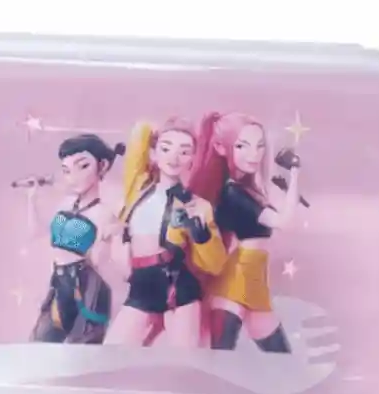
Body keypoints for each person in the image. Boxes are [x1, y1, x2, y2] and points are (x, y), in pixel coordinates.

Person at [105, 118, 227, 347]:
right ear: (153, 152)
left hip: (177, 286)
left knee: (185, 360)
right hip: (142, 284)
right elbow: (139, 134)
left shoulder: (197, 205)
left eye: (184, 152)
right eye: (166, 148)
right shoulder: (137, 187)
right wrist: (160, 127)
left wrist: (200, 234)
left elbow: (216, 264)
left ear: (193, 159)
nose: (174, 157)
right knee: (112, 351)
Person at [189, 112, 302, 351]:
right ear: (221, 148)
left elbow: (284, 218)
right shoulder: (233, 194)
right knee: (221, 359)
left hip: (254, 281)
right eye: (242, 146)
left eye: (260, 146)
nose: (254, 154)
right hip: (234, 281)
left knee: (280, 358)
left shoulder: (247, 189)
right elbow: (285, 222)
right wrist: (294, 172)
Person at [24, 134, 126, 344]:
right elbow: (37, 233)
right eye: (67, 170)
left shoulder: (104, 213)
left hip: (87, 284)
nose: (74, 177)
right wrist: (31, 201)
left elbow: (102, 262)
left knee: (83, 345)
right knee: (41, 340)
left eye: (83, 167)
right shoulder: (65, 204)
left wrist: (109, 238)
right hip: (59, 281)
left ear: (102, 166)